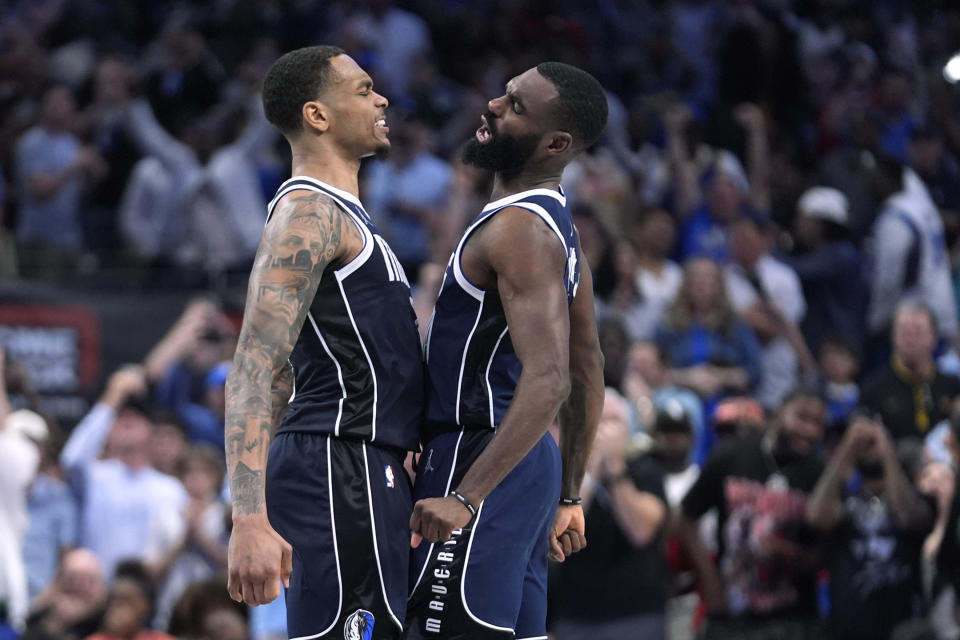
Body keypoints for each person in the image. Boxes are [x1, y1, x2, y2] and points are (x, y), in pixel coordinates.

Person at [224, 46, 424, 640]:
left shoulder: (350, 218)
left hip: (366, 461)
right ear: (317, 115)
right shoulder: (308, 213)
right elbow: (258, 368)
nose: (382, 98)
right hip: (335, 460)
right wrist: (248, 517)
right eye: (363, 90)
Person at [404, 62, 607, 639]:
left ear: (557, 143)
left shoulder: (519, 229)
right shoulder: (558, 230)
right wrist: (569, 492)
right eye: (504, 94)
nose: (493, 105)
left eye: (516, 105)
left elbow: (553, 379)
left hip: (479, 454)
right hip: (527, 464)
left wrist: (466, 497)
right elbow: (589, 367)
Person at [678, 387, 828, 640]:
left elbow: (828, 548)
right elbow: (685, 518)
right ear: (779, 412)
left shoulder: (820, 473)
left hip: (794, 617)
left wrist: (791, 555)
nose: (809, 430)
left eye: (818, 424)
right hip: (732, 614)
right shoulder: (732, 455)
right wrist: (710, 579)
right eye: (802, 418)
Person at [548, 389, 669, 640]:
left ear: (629, 428)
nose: (605, 432)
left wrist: (614, 468)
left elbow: (641, 532)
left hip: (637, 615)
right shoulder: (564, 474)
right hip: (575, 616)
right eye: (598, 421)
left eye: (614, 421)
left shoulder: (647, 470)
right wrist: (588, 470)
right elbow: (558, 531)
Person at [805, 417, 934, 640]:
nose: (870, 448)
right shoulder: (844, 499)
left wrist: (887, 453)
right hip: (848, 627)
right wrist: (846, 449)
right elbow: (815, 517)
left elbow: (908, 518)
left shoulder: (916, 497)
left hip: (903, 628)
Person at [861, 302, 960, 442]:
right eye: (905, 332)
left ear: (933, 338)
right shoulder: (873, 387)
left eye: (918, 332)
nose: (911, 339)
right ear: (893, 337)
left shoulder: (952, 386)